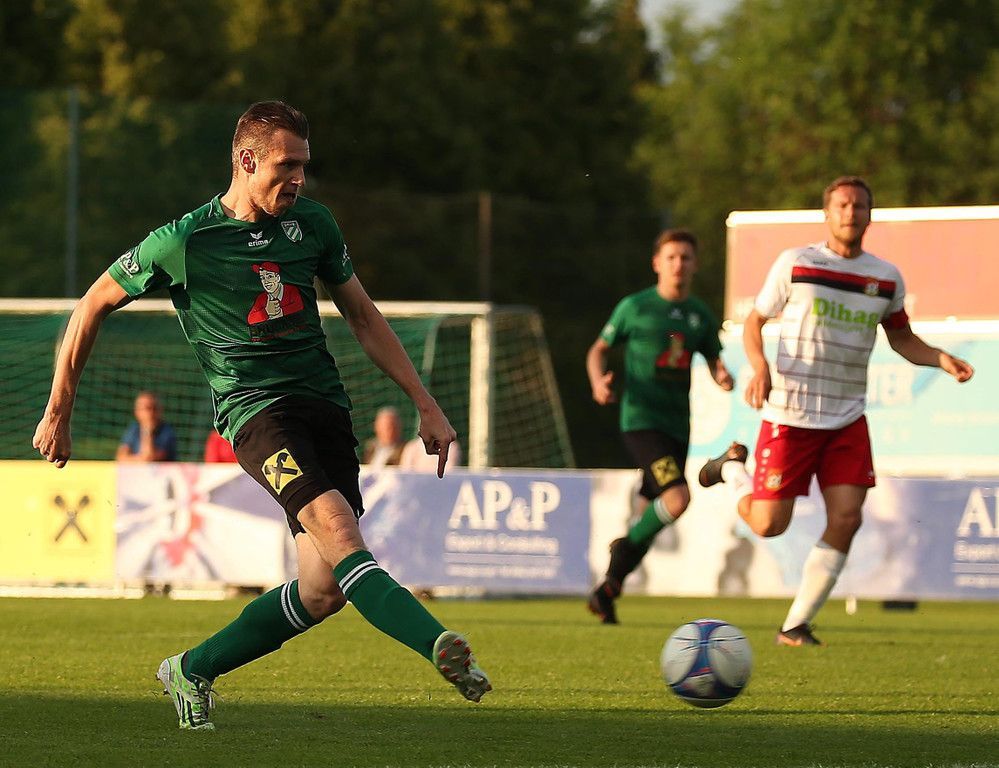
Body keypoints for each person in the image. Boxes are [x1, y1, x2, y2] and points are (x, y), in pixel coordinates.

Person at [32, 100, 490, 731]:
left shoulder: (314, 225)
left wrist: (425, 402)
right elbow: (91, 305)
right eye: (286, 166)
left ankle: (191, 668)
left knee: (323, 589)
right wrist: (59, 409)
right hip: (257, 414)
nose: (298, 179)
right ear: (247, 161)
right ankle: (438, 644)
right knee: (340, 532)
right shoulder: (185, 240)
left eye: (304, 166)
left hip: (325, 408)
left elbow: (363, 316)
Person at [698, 176, 974, 646]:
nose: (850, 212)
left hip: (846, 417)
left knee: (847, 517)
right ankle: (731, 469)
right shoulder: (797, 263)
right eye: (842, 205)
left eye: (859, 205)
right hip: (790, 415)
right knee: (768, 524)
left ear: (870, 215)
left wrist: (940, 358)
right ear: (827, 213)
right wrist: (760, 366)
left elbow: (902, 338)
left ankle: (795, 625)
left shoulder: (885, 278)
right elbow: (754, 321)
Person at [585, 228, 734, 624]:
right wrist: (598, 382)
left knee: (650, 515)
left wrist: (722, 375)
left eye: (686, 257)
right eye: (671, 257)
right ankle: (621, 551)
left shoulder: (699, 315)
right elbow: (598, 350)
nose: (678, 264)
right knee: (677, 498)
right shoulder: (636, 307)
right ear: (656, 263)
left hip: (677, 426)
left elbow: (714, 359)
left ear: (695, 264)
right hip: (641, 421)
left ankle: (607, 590)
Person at [116, 391, 177, 462]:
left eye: (154, 408)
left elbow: (149, 457)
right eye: (147, 408)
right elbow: (121, 456)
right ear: (137, 412)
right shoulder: (134, 428)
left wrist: (147, 431)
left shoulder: (167, 431)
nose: (151, 413)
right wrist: (140, 459)